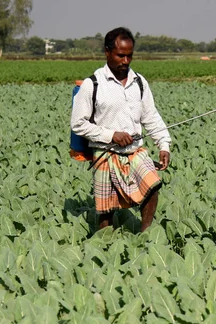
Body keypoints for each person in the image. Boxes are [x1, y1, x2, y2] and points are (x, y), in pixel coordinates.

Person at [71, 27, 171, 232]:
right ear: (107, 52)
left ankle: (146, 235)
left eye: (129, 56)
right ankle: (105, 243)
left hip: (135, 151)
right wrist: (111, 135)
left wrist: (163, 144)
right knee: (106, 210)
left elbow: (151, 116)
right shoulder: (93, 84)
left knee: (153, 186)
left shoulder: (139, 82)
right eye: (120, 55)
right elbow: (78, 124)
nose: (126, 61)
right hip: (106, 152)